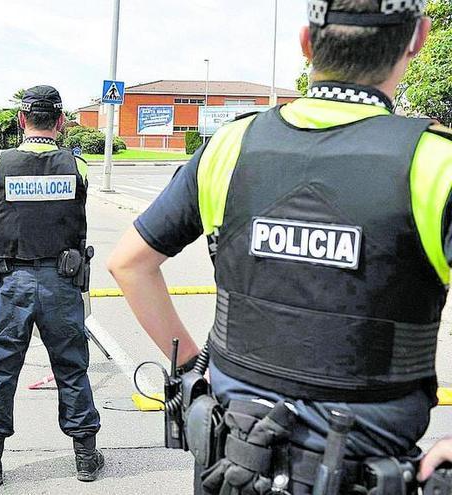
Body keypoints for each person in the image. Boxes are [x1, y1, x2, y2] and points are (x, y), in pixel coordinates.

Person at [108, 1, 452, 493]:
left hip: (233, 466)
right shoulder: (435, 162)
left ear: (307, 43)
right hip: (371, 467)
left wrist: (192, 370)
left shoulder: (232, 145)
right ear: (418, 39)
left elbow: (130, 265)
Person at [0, 85, 103, 487]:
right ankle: (86, 458)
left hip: (13, 283)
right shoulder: (79, 167)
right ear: (61, 122)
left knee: (2, 369)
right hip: (62, 282)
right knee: (72, 367)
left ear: (22, 121)